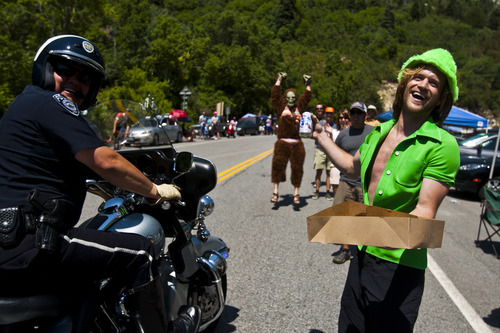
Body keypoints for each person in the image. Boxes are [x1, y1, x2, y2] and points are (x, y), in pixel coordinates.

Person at [0, 35, 200, 333]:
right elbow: (105, 160)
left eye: (85, 77)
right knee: (141, 252)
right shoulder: (48, 102)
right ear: (44, 69)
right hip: (31, 244)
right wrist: (154, 190)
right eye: (65, 70)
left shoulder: (25, 105)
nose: (75, 82)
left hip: (12, 241)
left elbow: (53, 167)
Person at [312, 48, 460, 332]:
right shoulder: (378, 132)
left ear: (441, 97)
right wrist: (320, 136)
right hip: (362, 257)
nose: (424, 85)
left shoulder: (443, 146)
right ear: (405, 83)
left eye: (434, 82)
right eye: (418, 77)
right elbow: (352, 168)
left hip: (399, 269)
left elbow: (424, 215)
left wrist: (352, 227)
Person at [329, 102, 374, 264]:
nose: (356, 116)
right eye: (352, 114)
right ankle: (346, 249)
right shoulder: (343, 134)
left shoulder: (373, 133)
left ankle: (365, 250)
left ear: (365, 115)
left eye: (359, 113)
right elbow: (336, 153)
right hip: (346, 181)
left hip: (365, 183)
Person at [270, 72, 312, 206]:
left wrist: (308, 85)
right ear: (285, 98)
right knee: (277, 166)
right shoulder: (281, 107)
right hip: (282, 142)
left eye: (293, 98)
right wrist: (279, 80)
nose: (291, 100)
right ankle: (275, 191)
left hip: (297, 144)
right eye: (288, 98)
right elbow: (275, 96)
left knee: (297, 168)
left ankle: (296, 193)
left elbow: (307, 97)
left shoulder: (299, 107)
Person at [312, 104, 333, 200]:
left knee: (329, 173)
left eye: (330, 113)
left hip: (330, 151)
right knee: (319, 172)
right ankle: (317, 192)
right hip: (320, 149)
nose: (329, 115)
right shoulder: (317, 122)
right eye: (317, 109)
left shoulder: (334, 124)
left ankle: (327, 192)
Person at [329, 108, 350, 196]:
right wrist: (330, 135)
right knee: (336, 188)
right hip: (336, 165)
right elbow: (331, 148)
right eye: (341, 118)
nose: (343, 120)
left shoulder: (353, 132)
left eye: (345, 118)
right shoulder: (334, 131)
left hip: (349, 165)